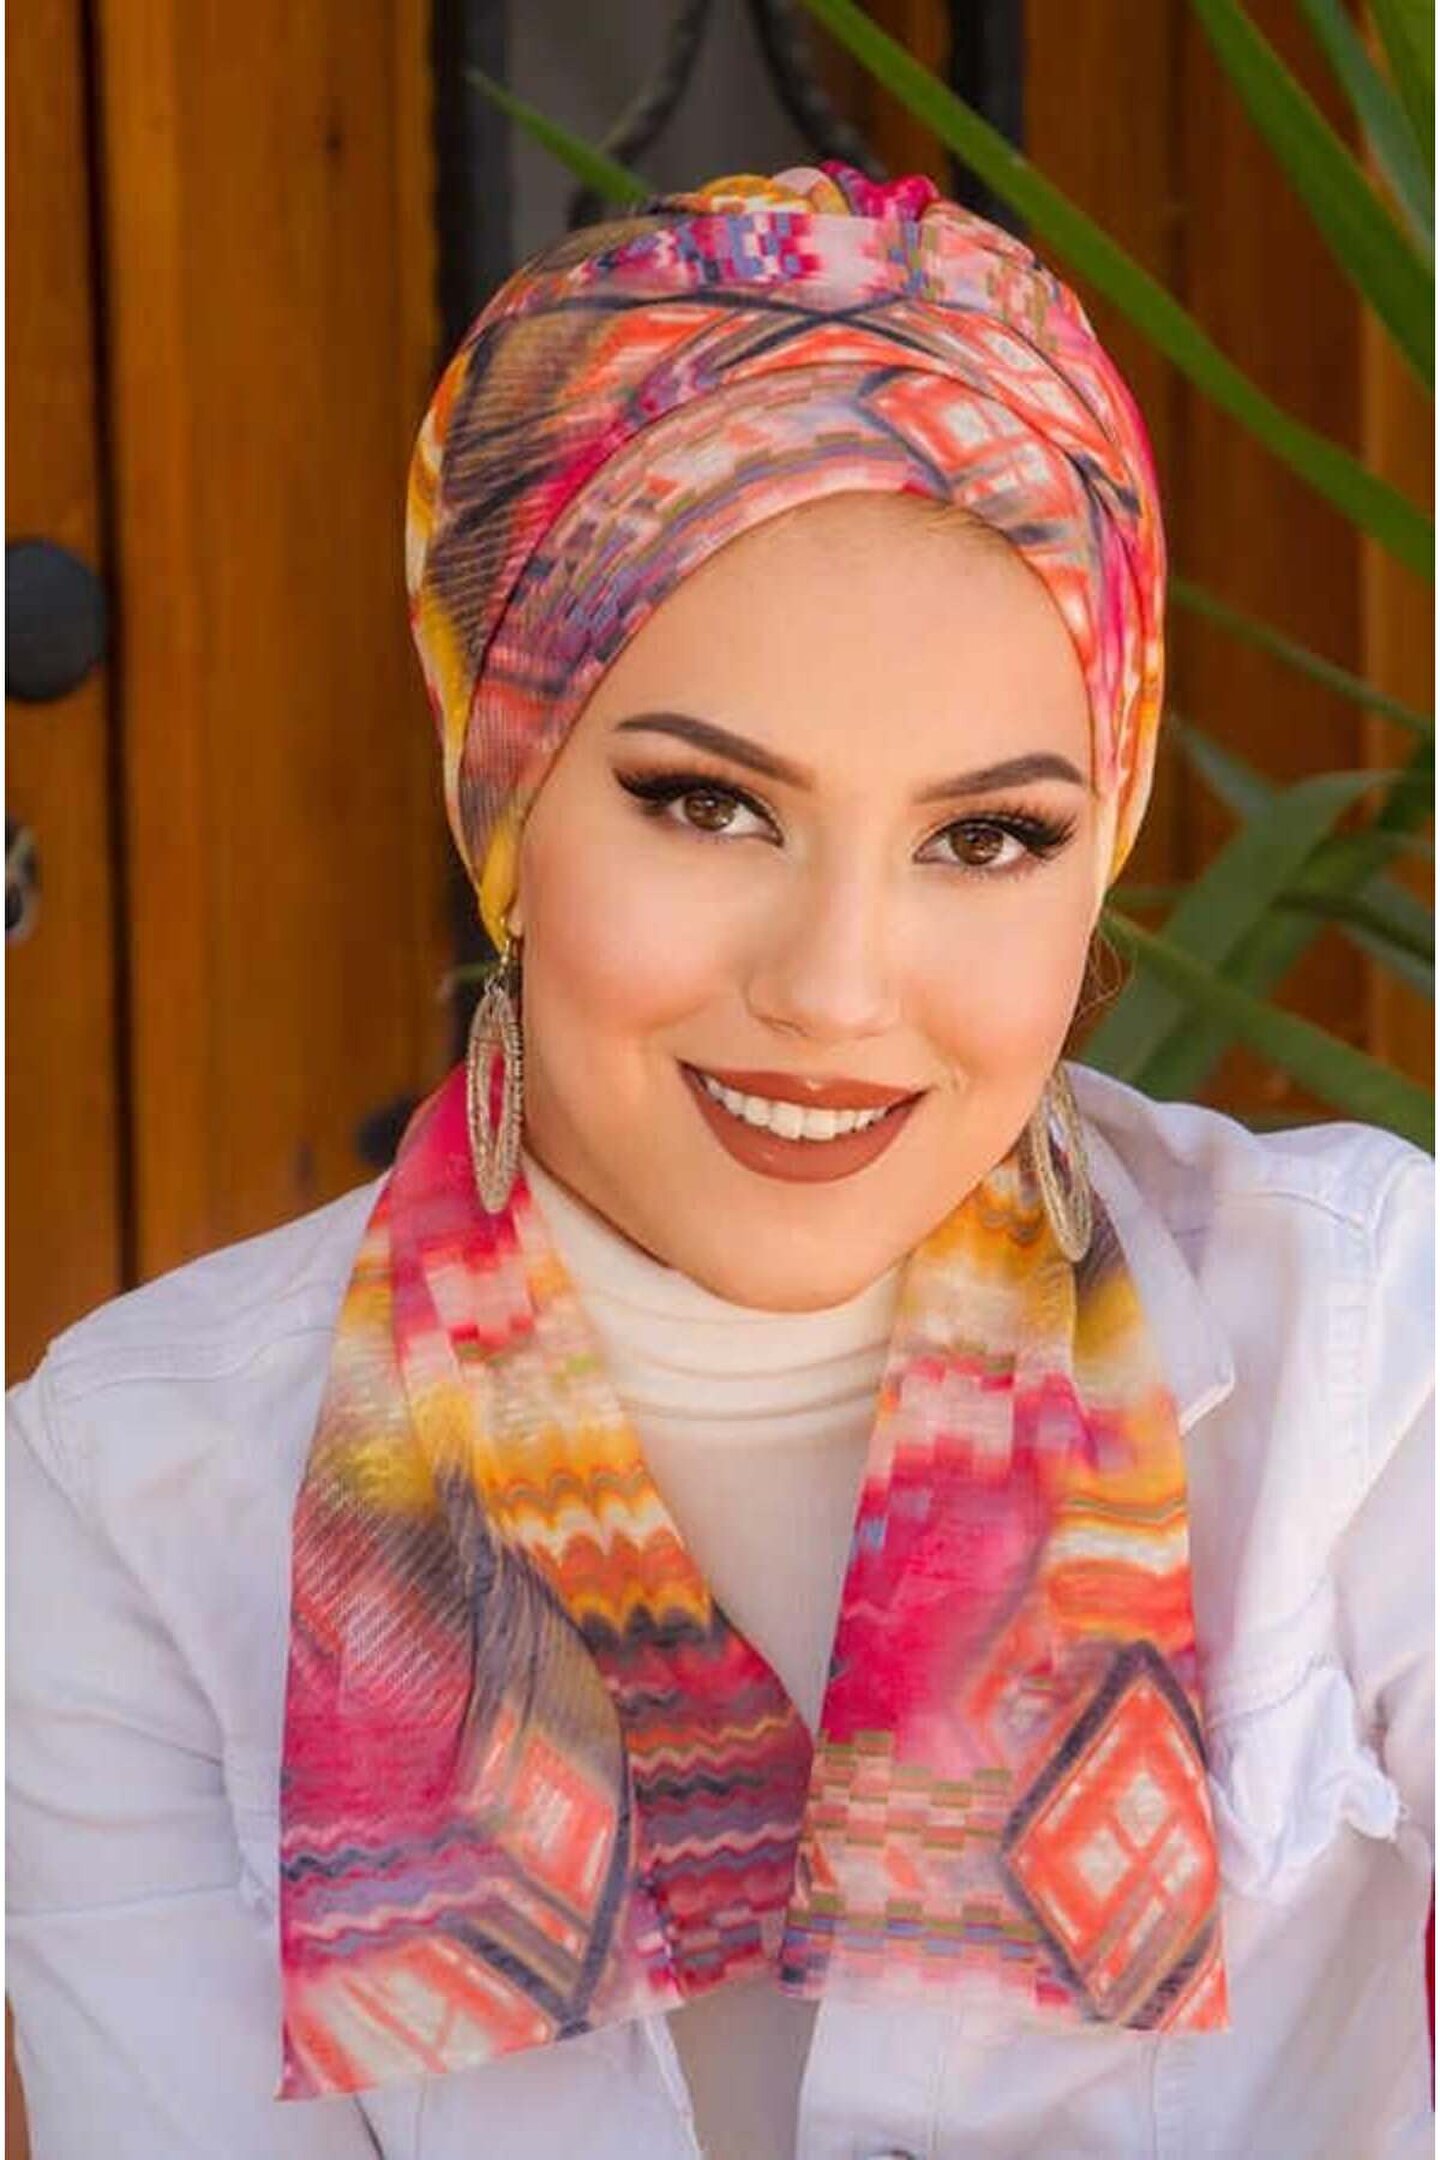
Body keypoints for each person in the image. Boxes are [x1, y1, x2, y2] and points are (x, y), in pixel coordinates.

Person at [6, 164, 1432, 2160]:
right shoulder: (123, 1489)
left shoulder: (1366, 1344)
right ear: (506, 798)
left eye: (987, 839)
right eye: (707, 805)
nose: (836, 989)